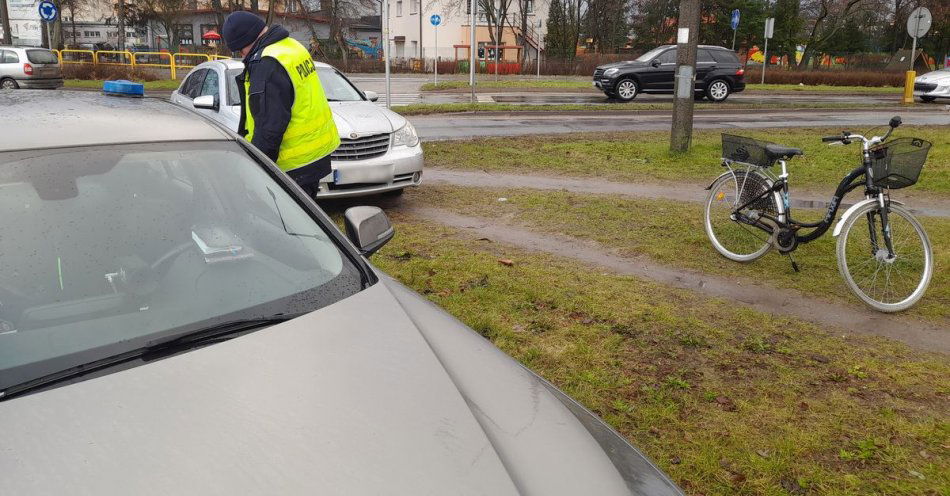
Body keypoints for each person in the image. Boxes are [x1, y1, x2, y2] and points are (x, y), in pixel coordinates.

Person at [222, 11, 339, 196]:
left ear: (246, 41)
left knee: (287, 224)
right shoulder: (291, 46)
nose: (242, 55)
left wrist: (258, 169)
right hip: (315, 155)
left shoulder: (267, 63)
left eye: (239, 49)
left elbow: (270, 127)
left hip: (293, 164)